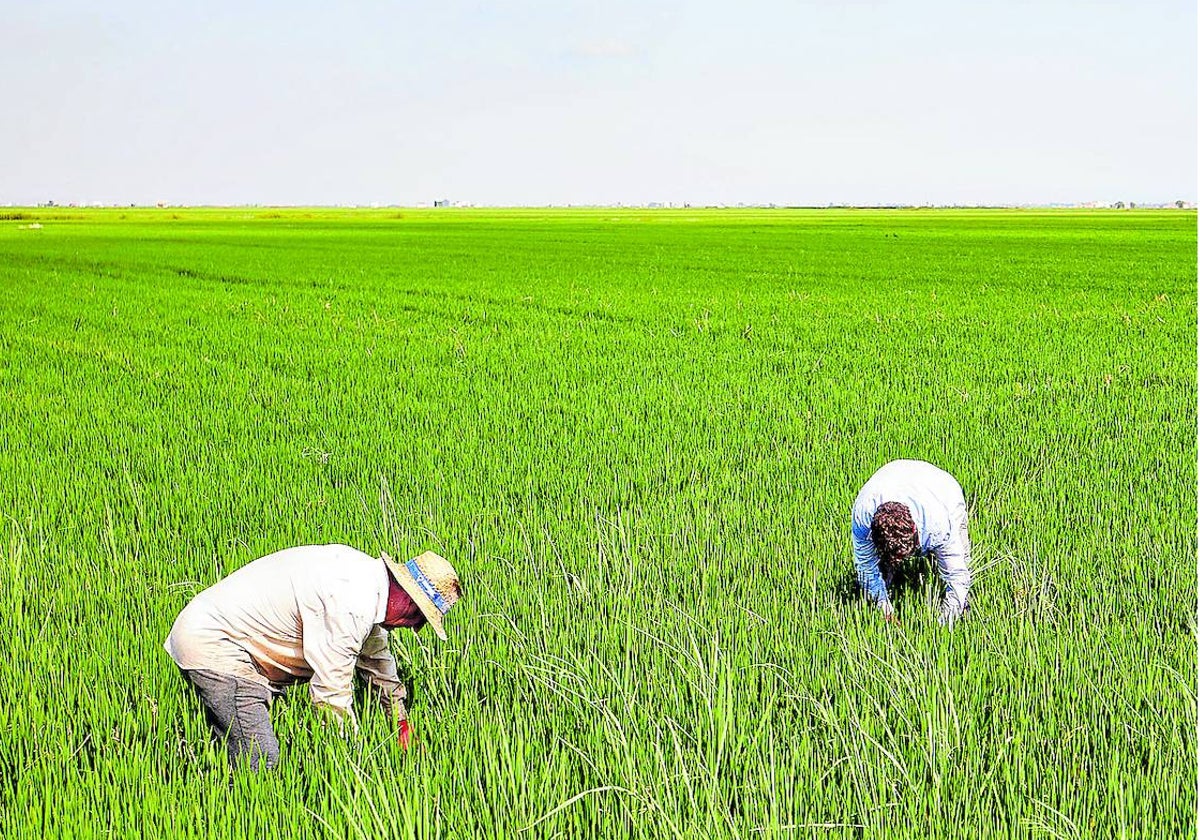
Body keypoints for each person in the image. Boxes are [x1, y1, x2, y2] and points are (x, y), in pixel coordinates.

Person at [164, 544, 461, 769]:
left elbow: (377, 662)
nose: (413, 629)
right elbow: (331, 695)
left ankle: (213, 779)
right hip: (219, 645)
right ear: (408, 602)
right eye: (419, 620)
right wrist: (356, 764)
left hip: (229, 639)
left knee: (235, 742)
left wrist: (400, 722)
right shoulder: (351, 602)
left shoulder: (367, 583)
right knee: (260, 758)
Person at [851, 459, 972, 625]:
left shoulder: (938, 525)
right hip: (891, 477)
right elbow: (865, 565)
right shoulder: (863, 518)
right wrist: (884, 609)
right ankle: (882, 593)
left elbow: (957, 577)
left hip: (943, 490)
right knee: (876, 575)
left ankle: (962, 612)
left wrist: (943, 625)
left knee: (961, 567)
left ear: (915, 532)